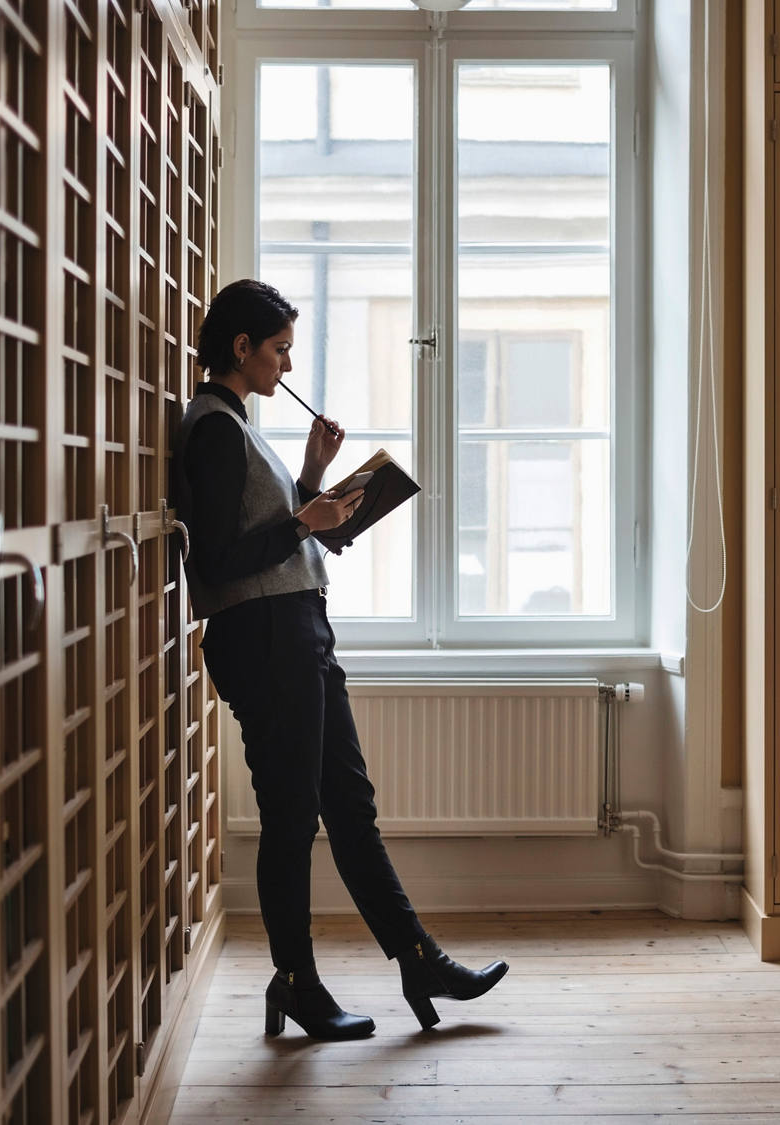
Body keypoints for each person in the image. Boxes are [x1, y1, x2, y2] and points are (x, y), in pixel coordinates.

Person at [172, 279, 507, 1039]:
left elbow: (277, 531)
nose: (287, 366)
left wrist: (315, 478)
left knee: (348, 806)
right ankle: (296, 981)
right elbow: (219, 564)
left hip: (298, 631)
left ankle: (418, 957)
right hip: (264, 640)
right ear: (241, 347)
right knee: (292, 818)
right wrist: (303, 518)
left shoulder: (238, 424)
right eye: (280, 349)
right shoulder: (214, 428)